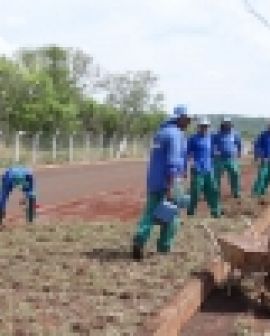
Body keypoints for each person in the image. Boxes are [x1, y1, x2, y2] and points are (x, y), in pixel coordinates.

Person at [132, 105, 191, 261]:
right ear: (180, 118)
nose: (189, 122)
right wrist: (172, 185)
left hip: (154, 180)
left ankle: (140, 237)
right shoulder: (176, 135)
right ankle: (164, 247)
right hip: (169, 181)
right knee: (172, 215)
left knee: (150, 213)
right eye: (187, 119)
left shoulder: (160, 133)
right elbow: (173, 161)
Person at [187, 117, 221, 218]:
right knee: (196, 192)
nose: (204, 128)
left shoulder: (211, 138)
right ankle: (191, 212)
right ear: (199, 127)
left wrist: (216, 154)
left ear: (209, 127)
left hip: (209, 169)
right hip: (197, 169)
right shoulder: (193, 139)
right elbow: (188, 153)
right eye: (202, 126)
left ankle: (215, 212)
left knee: (213, 190)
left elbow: (213, 152)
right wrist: (191, 162)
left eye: (206, 127)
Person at [213, 117, 242, 198]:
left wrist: (239, 153)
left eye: (228, 124)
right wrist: (214, 153)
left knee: (235, 174)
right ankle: (216, 192)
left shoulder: (235, 134)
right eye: (225, 124)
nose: (227, 125)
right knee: (216, 176)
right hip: (219, 159)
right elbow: (212, 145)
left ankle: (236, 191)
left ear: (230, 125)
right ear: (222, 125)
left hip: (231, 158)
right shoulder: (216, 135)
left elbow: (239, 144)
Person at [251, 124, 270, 197]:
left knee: (268, 177)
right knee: (262, 175)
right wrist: (258, 156)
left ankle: (262, 191)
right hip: (265, 159)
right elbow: (257, 146)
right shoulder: (263, 135)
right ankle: (256, 192)